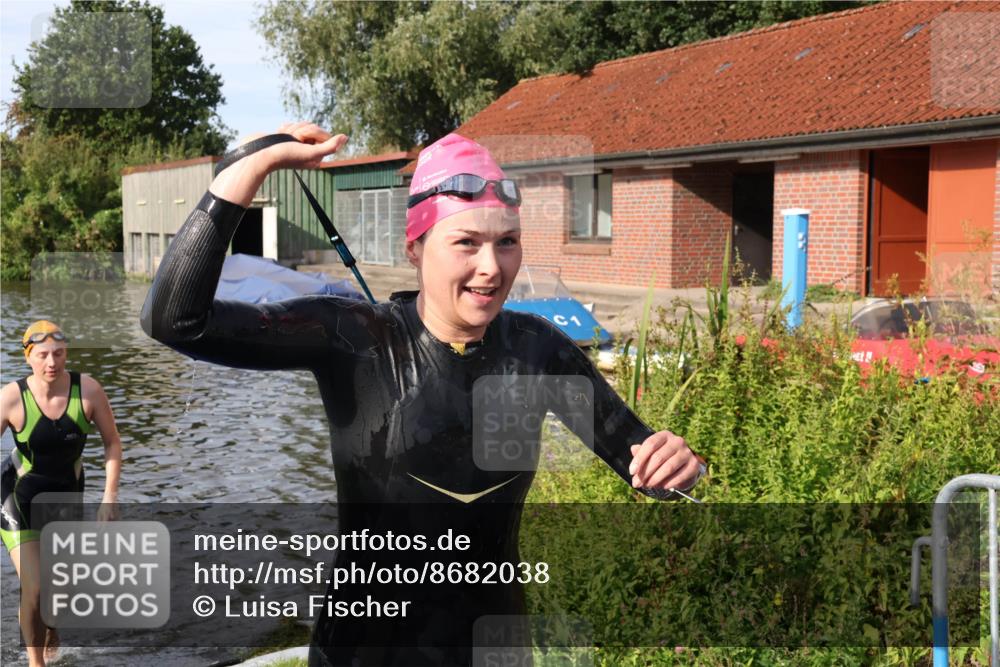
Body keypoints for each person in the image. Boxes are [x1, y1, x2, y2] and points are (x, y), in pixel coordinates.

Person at [141, 122, 706, 665]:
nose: (492, 267)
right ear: (415, 248)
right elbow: (175, 321)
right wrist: (255, 162)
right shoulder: (354, 339)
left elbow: (645, 464)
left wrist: (679, 467)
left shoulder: (537, 350)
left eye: (507, 242)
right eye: (467, 242)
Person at [0, 320, 123, 667]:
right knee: (35, 587)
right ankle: (35, 664)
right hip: (17, 495)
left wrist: (108, 498)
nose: (52, 362)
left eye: (59, 353)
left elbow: (112, 442)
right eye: (42, 355)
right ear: (29, 358)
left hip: (65, 496)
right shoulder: (11, 397)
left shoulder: (88, 391)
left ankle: (51, 626)